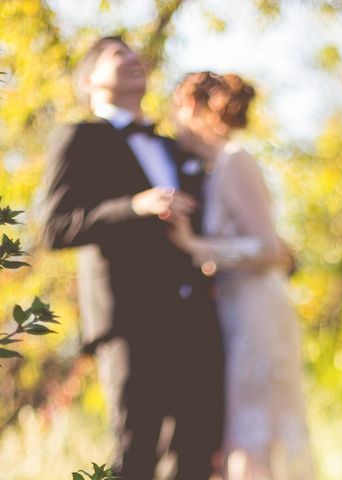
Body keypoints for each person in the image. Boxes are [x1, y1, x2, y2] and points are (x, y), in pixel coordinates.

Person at [41, 37, 224, 479]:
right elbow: (54, 227)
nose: (133, 59)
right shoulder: (79, 137)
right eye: (117, 55)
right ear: (88, 81)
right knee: (135, 451)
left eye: (136, 54)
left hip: (195, 314)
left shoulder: (175, 148)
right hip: (129, 320)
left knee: (196, 452)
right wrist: (134, 206)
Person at [169, 72, 314, 479]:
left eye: (175, 110)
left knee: (255, 430)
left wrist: (194, 247)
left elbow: (270, 249)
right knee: (241, 429)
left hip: (256, 308)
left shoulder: (236, 160)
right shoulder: (220, 167)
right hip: (235, 306)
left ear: (193, 109)